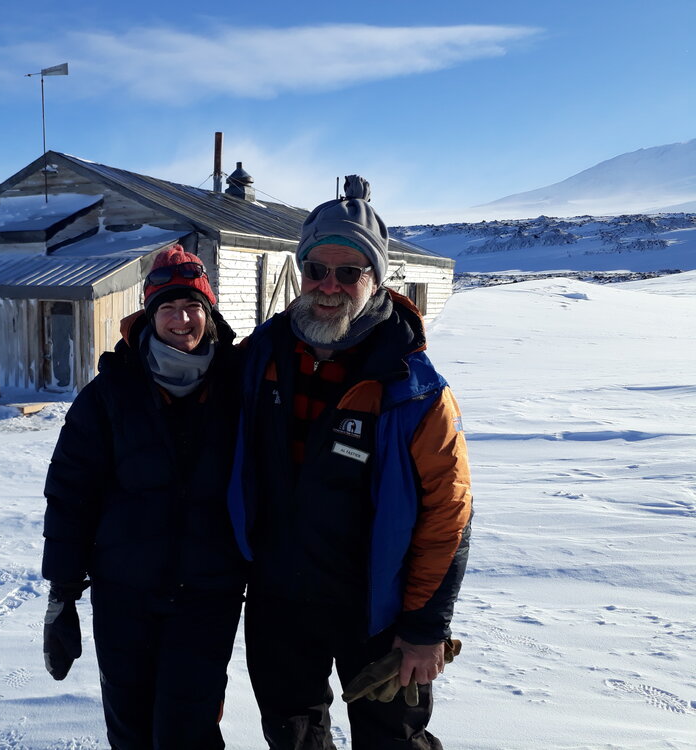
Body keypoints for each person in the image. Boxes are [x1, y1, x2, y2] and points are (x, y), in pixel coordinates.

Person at [227, 176, 473, 749]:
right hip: (279, 598)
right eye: (316, 270)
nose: (328, 287)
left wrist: (424, 627)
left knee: (394, 742)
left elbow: (449, 515)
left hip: (378, 610)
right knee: (292, 735)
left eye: (348, 272)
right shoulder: (261, 357)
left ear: (376, 278)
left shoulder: (414, 390)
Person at [41, 244, 247, 750]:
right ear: (149, 314)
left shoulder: (240, 388)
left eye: (194, 307)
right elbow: (70, 495)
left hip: (207, 595)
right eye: (169, 308)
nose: (182, 319)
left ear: (210, 313)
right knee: (130, 728)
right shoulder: (109, 394)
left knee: (188, 731)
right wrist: (62, 594)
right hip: (123, 596)